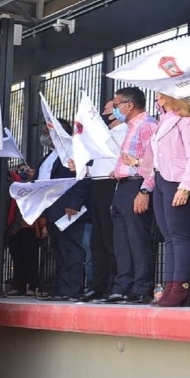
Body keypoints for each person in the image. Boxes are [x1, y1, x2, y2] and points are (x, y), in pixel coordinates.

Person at [95, 87, 158, 305]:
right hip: (121, 186)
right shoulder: (130, 127)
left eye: (116, 105)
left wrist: (145, 190)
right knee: (121, 241)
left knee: (137, 239)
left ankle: (141, 287)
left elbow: (152, 163)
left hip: (136, 185)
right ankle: (122, 286)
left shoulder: (148, 125)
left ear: (129, 105)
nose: (114, 110)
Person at [146, 94, 190, 308]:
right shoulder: (163, 121)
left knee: (181, 236)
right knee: (169, 237)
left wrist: (186, 186)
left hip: (179, 181)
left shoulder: (189, 120)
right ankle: (170, 286)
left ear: (168, 97)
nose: (156, 99)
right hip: (161, 180)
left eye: (159, 95)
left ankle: (181, 287)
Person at [77, 98, 126, 302]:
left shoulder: (124, 131)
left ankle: (114, 283)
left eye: (107, 110)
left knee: (109, 238)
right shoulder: (106, 134)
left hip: (110, 185)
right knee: (97, 240)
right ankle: (98, 284)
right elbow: (100, 164)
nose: (103, 114)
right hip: (96, 184)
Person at [37, 119, 89, 301]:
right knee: (59, 251)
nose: (44, 136)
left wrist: (74, 204)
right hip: (51, 209)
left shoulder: (72, 151)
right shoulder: (50, 155)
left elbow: (81, 178)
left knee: (71, 250)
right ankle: (60, 288)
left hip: (68, 210)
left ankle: (73, 289)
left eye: (47, 131)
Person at [4, 162, 45, 297]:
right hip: (15, 227)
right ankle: (19, 285)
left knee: (31, 257)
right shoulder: (14, 184)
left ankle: (32, 286)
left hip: (30, 227)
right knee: (17, 257)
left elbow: (42, 206)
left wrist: (44, 226)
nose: (25, 172)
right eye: (22, 170)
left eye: (29, 170)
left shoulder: (38, 186)